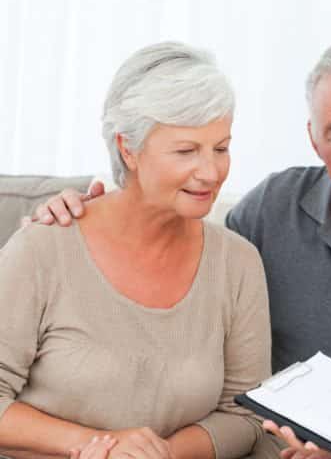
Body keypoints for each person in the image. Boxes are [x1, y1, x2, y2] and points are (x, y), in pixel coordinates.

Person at [30, 37, 331, 425]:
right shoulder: (272, 207)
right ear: (313, 138)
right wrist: (85, 207)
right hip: (260, 442)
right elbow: (172, 241)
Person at [0, 42, 279, 458]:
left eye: (221, 148)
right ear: (128, 149)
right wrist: (97, 447)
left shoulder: (237, 264)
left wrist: (156, 454)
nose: (210, 172)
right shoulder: (45, 246)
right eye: (186, 151)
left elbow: (246, 415)